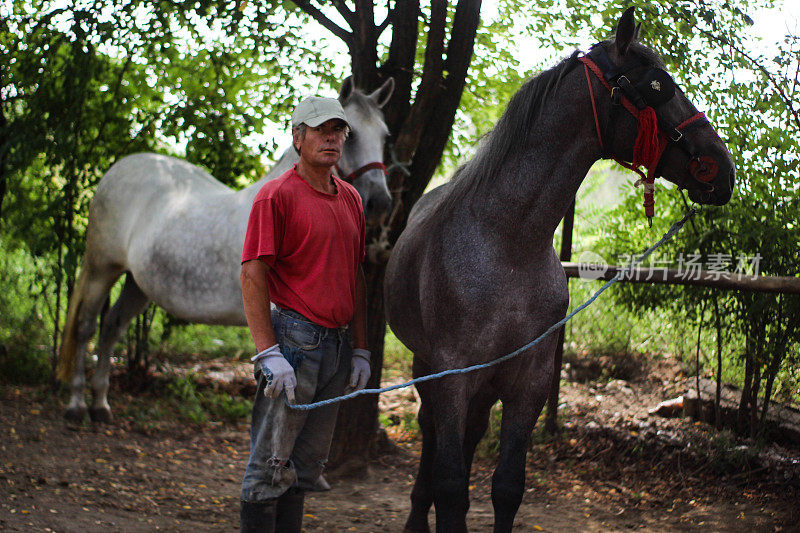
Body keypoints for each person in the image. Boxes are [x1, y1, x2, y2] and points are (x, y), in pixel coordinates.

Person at [238, 96, 372, 533]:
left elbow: (356, 276)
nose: (331, 138)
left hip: (336, 348)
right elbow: (253, 274)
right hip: (295, 345)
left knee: (304, 468)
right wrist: (268, 353)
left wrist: (362, 350)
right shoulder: (275, 196)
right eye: (320, 130)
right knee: (269, 466)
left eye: (338, 131)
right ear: (298, 137)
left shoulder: (351, 199)